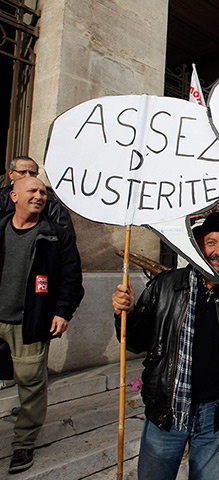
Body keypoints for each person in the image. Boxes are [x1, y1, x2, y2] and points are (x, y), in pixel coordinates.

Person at [111, 212, 219, 480]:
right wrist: (125, 314)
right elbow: (136, 342)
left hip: (215, 416)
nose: (218, 252)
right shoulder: (166, 285)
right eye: (211, 243)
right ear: (198, 245)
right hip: (166, 411)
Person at [0, 177, 84, 474]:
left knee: (31, 385)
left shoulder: (56, 235)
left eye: (43, 192)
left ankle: (23, 443)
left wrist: (62, 312)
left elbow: (72, 279)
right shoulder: (0, 229)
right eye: (32, 191)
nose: (39, 196)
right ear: (14, 196)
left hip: (30, 322)